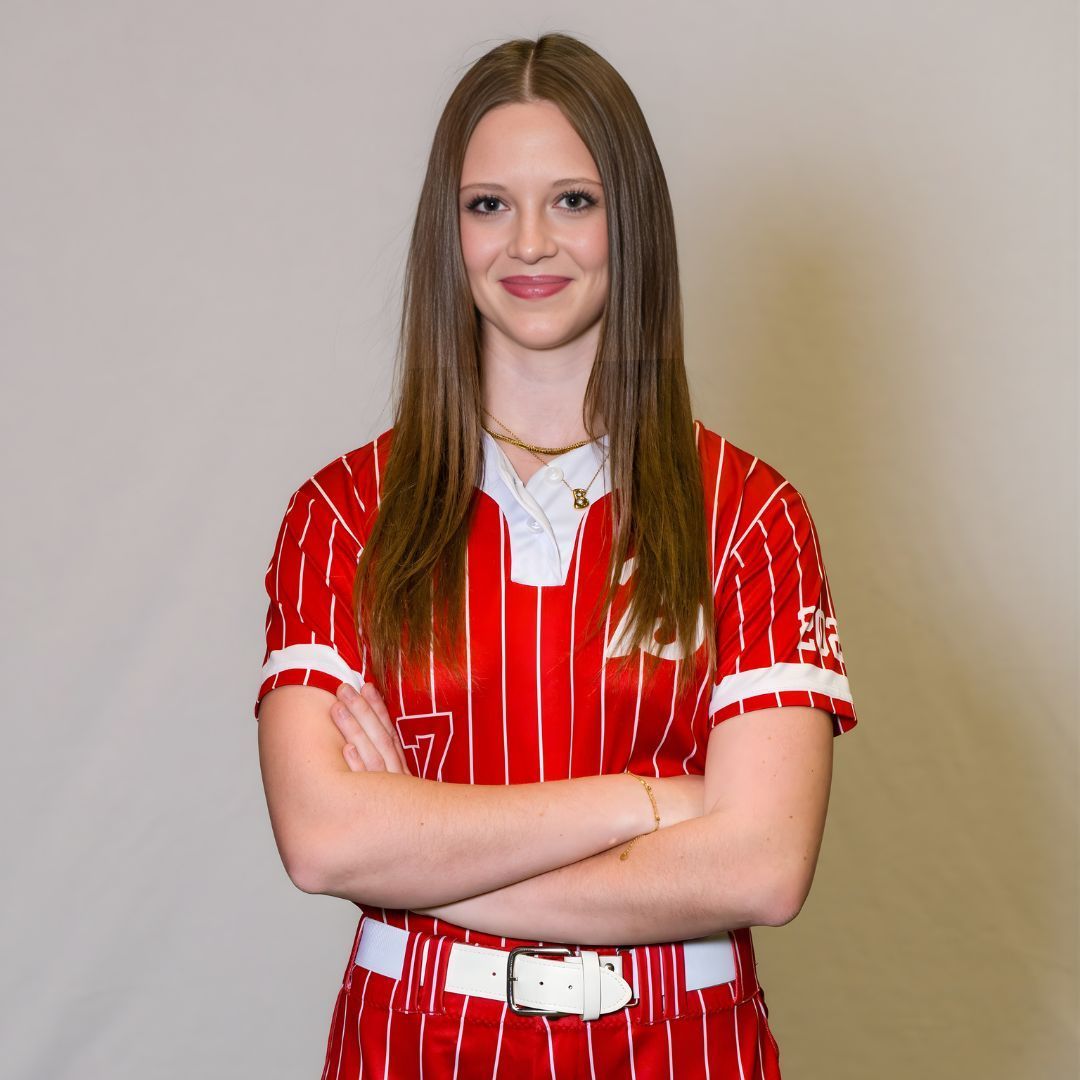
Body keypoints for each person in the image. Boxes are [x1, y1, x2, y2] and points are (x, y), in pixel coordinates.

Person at [254, 32, 857, 1080]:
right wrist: (655, 797)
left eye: (573, 200)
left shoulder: (752, 514)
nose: (530, 242)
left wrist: (421, 858)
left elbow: (763, 866)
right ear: (449, 233)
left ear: (633, 223)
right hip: (415, 1045)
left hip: (681, 1045)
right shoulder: (342, 512)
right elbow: (322, 840)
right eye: (489, 204)